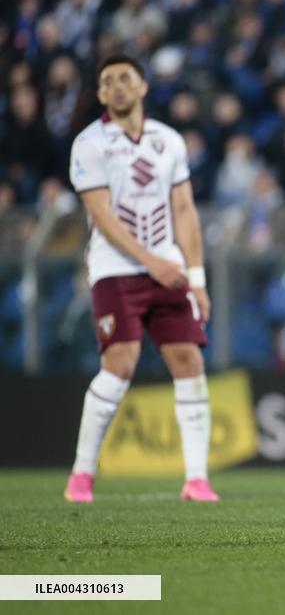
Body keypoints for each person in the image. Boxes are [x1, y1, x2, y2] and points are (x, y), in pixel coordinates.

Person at [64, 54, 218, 503]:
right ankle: (83, 474)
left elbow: (185, 211)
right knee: (120, 364)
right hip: (115, 270)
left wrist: (197, 278)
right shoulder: (89, 143)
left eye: (125, 78)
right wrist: (152, 263)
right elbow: (101, 215)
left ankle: (196, 479)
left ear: (143, 87)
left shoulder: (167, 140)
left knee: (190, 362)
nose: (116, 86)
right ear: (99, 94)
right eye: (107, 81)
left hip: (168, 270)